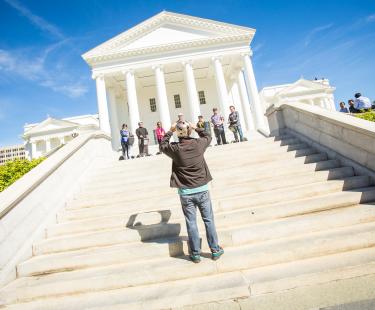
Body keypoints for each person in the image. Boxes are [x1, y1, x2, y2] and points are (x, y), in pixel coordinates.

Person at [160, 120, 224, 263]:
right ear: (190, 132)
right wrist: (195, 127)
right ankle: (215, 249)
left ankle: (195, 253)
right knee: (208, 220)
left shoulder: (175, 148)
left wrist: (170, 131)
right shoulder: (198, 144)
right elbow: (208, 136)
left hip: (186, 193)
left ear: (178, 133)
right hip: (202, 190)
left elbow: (162, 145)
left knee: (191, 223)